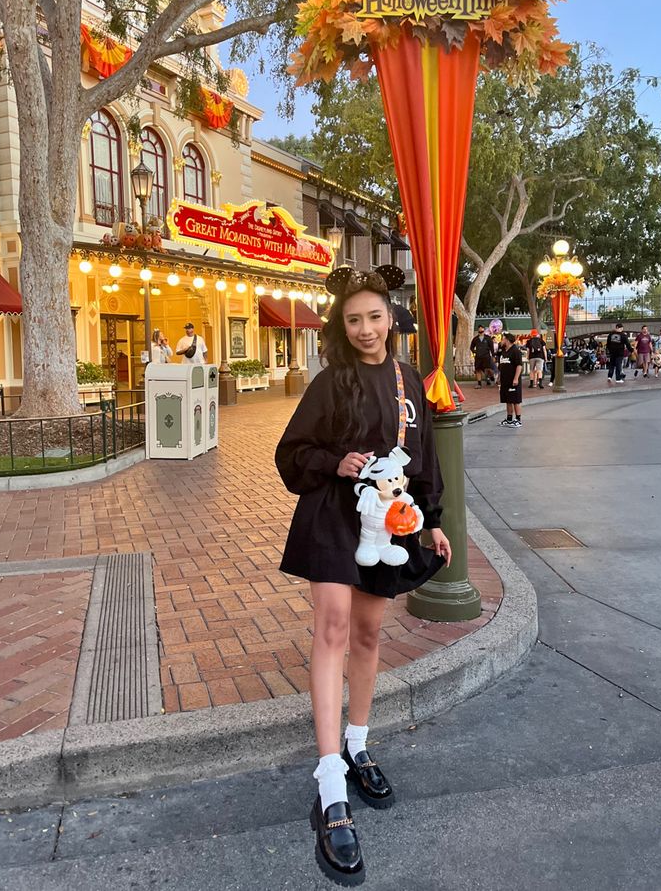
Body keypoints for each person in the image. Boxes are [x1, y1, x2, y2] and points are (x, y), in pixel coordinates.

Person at [275, 266, 451, 886]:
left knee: (370, 637)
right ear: (341, 327)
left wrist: (432, 520)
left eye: (375, 317)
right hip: (332, 516)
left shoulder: (409, 381)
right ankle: (329, 782)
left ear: (392, 318)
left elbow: (424, 456)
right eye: (354, 320)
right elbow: (290, 454)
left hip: (389, 524)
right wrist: (335, 461)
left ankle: (357, 743)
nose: (366, 329)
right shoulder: (330, 381)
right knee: (331, 630)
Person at [498, 331, 524, 427]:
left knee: (515, 400)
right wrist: (499, 377)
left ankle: (518, 419)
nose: (501, 341)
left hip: (513, 380)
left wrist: (516, 378)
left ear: (507, 340)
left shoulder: (515, 351)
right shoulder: (504, 351)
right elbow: (501, 366)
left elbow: (519, 366)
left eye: (503, 339)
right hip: (505, 380)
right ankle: (509, 419)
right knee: (508, 400)